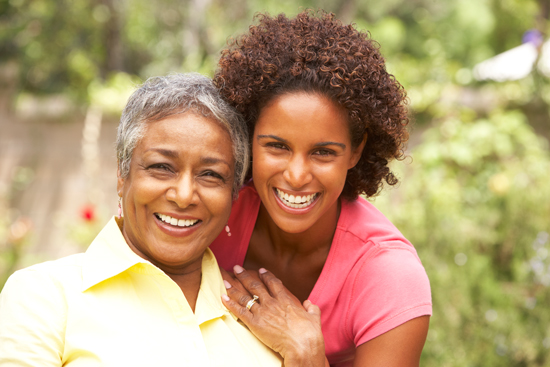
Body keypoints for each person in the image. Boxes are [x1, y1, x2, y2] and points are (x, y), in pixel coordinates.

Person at [0, 73, 289, 366]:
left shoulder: (266, 319)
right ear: (122, 176)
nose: (184, 195)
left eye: (210, 174)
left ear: (234, 194)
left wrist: (308, 353)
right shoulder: (44, 298)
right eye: (161, 167)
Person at [209, 10, 432, 367]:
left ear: (356, 151)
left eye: (323, 152)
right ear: (248, 137)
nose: (297, 176)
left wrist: (308, 353)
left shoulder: (389, 277)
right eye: (277, 146)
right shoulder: (215, 214)